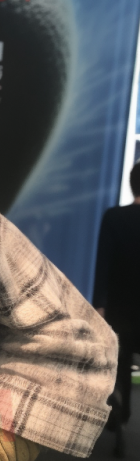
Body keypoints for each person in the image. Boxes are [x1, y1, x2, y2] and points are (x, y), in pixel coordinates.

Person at [94, 161, 140, 430]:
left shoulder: (114, 217)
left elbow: (103, 264)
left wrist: (100, 305)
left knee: (120, 363)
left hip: (119, 307)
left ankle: (120, 415)